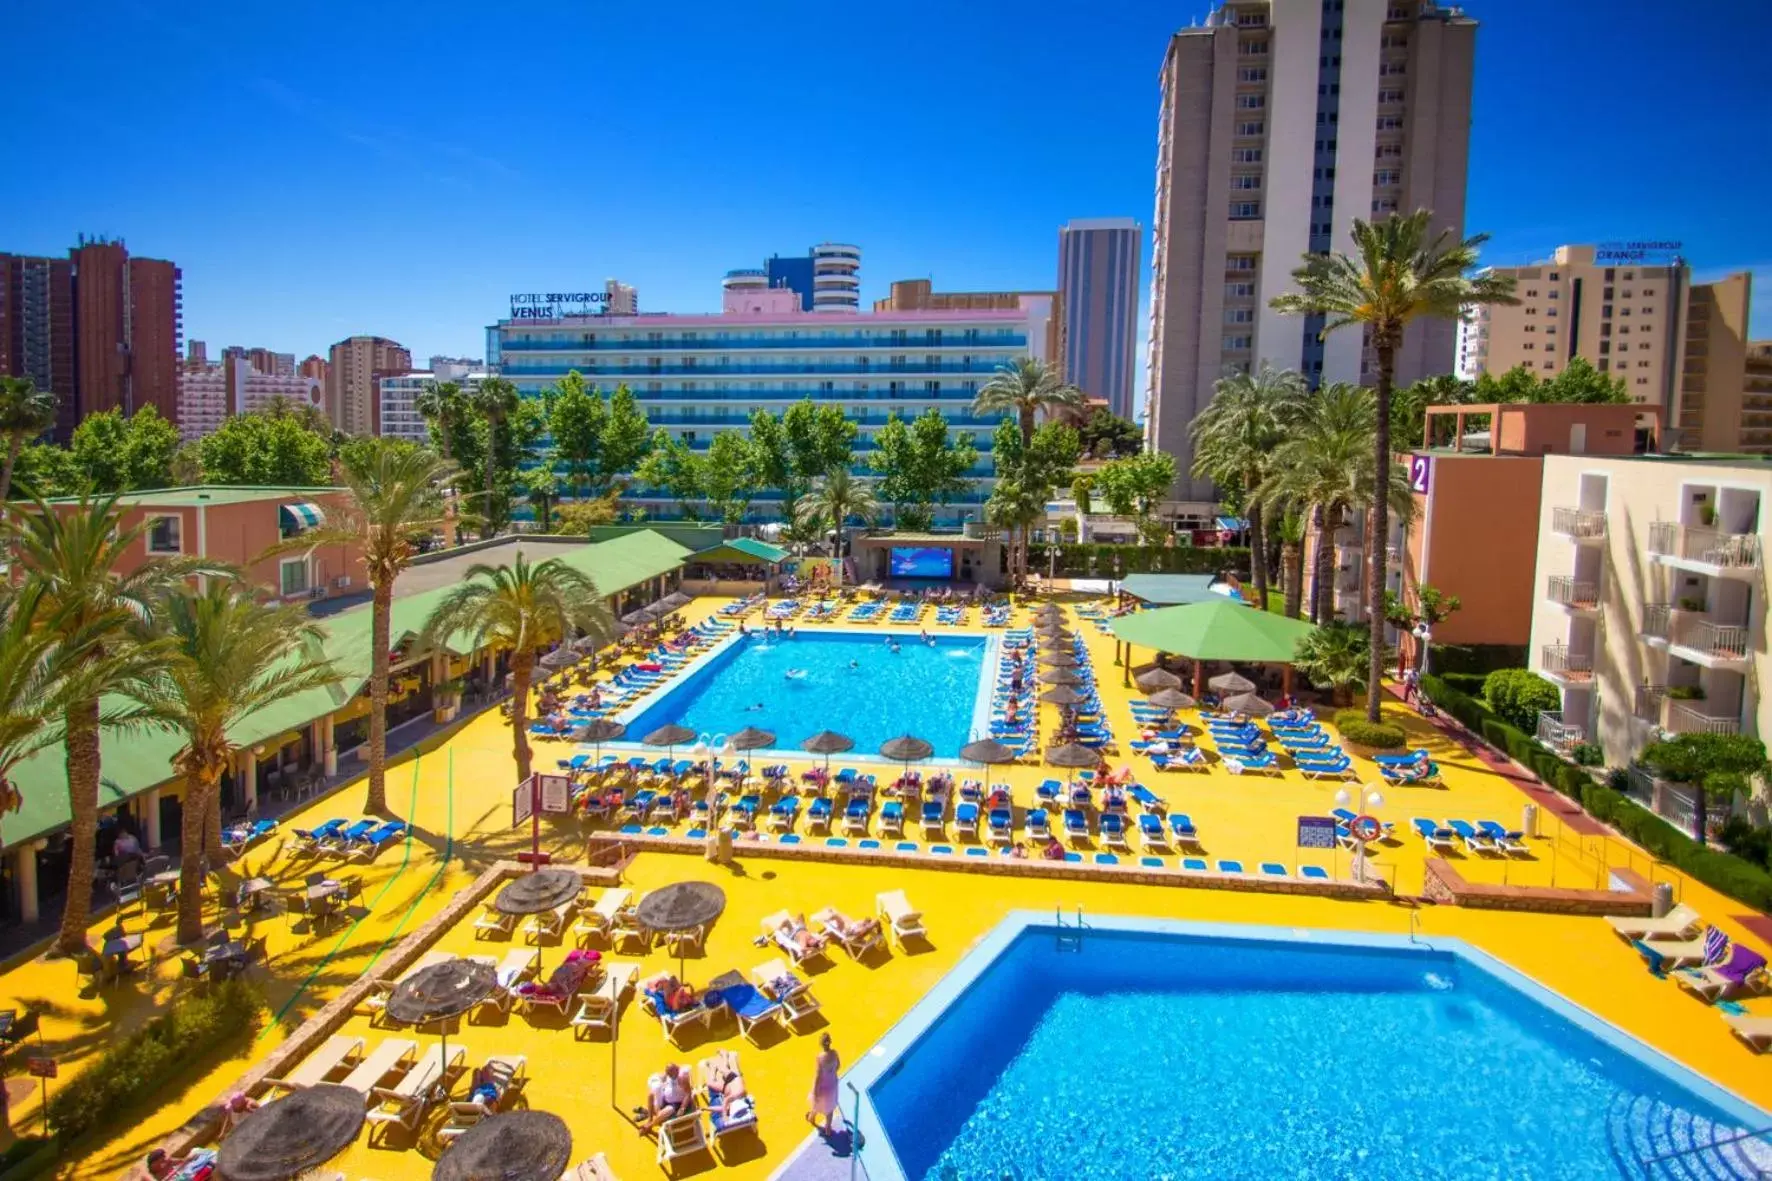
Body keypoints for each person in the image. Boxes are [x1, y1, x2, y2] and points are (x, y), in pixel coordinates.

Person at [636, 1063, 692, 1131]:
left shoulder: (682, 1078)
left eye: (671, 1074)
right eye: (668, 1074)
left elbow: (688, 1093)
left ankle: (649, 1125)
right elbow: (662, 1078)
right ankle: (649, 1117)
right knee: (651, 1095)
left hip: (676, 1103)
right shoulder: (669, 1074)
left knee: (664, 1112)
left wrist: (682, 1108)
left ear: (677, 1070)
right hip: (665, 1099)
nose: (670, 1076)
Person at [808, 1032, 841, 1131]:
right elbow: (838, 1066)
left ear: (821, 1044)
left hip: (822, 1086)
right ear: (830, 1042)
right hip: (832, 1084)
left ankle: (811, 1119)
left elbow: (818, 1075)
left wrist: (815, 1090)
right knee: (829, 1108)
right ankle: (828, 1129)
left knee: (816, 1105)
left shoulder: (820, 1058)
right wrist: (831, 1073)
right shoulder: (835, 1053)